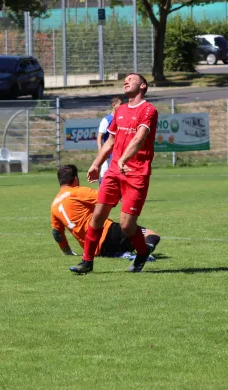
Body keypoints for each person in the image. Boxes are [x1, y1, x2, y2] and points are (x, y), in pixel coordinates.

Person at [69, 73, 158, 274]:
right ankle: (87, 261)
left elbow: (139, 139)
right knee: (97, 216)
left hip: (137, 174)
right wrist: (95, 164)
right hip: (114, 171)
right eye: (124, 80)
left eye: (131, 79)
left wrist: (125, 159)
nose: (126, 81)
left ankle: (142, 252)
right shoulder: (120, 111)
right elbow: (110, 141)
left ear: (143, 85)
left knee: (127, 226)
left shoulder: (149, 110)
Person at [51, 165, 160, 259]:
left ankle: (120, 254)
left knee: (118, 246)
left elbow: (57, 233)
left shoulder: (54, 205)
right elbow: (106, 197)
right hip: (108, 232)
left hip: (93, 249)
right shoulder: (78, 191)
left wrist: (67, 251)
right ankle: (144, 254)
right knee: (152, 235)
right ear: (75, 179)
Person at [97, 95, 124, 185]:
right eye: (120, 104)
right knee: (105, 175)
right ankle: (101, 194)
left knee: (120, 175)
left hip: (120, 152)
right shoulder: (107, 120)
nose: (122, 106)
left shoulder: (122, 118)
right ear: (113, 105)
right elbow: (100, 136)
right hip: (109, 153)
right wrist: (101, 152)